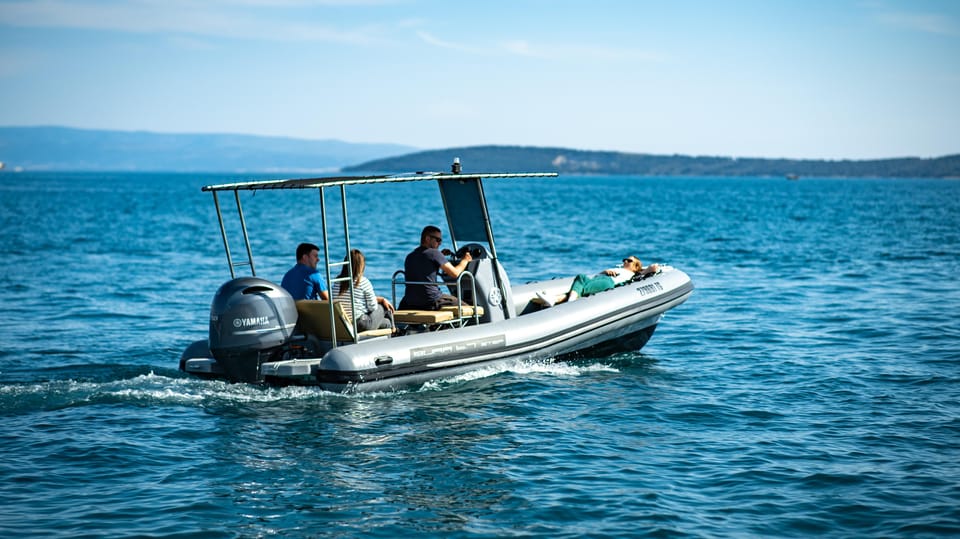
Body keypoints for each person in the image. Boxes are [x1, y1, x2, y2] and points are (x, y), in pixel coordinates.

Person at [399, 225, 473, 311]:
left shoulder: (410, 256)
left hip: (411, 302)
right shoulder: (434, 253)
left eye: (440, 240)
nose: (440, 243)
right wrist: (465, 260)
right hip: (431, 301)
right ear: (427, 239)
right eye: (438, 240)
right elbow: (455, 273)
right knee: (469, 308)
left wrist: (441, 256)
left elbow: (424, 268)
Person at [535, 256, 659, 307]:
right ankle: (556, 299)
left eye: (629, 261)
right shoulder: (617, 269)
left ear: (636, 266)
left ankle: (568, 304)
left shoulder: (633, 273)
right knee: (581, 286)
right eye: (624, 260)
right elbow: (595, 278)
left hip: (609, 282)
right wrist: (605, 271)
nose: (625, 261)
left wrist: (643, 269)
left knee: (581, 278)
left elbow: (654, 267)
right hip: (603, 278)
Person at [332, 249, 395, 331]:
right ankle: (393, 327)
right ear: (361, 265)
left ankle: (391, 326)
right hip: (360, 323)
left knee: (385, 322)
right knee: (383, 307)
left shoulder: (337, 282)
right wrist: (381, 301)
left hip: (343, 324)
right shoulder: (363, 281)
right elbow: (373, 307)